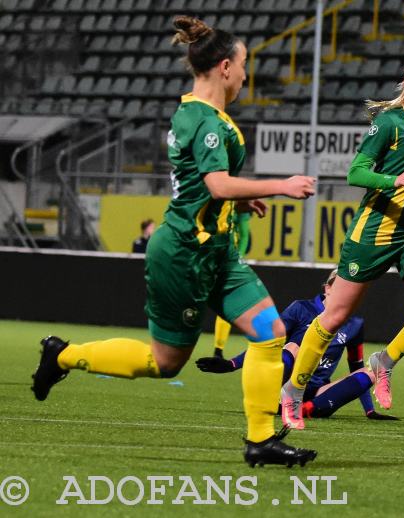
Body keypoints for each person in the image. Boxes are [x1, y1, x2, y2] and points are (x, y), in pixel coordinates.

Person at [31, 16, 318, 468]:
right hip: (184, 255)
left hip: (217, 251)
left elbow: (201, 186)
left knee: (270, 332)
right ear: (225, 67)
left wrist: (240, 206)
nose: (246, 75)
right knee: (165, 364)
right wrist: (278, 186)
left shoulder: (202, 114)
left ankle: (260, 440)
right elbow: (218, 184)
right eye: (244, 65)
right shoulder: (204, 120)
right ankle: (63, 356)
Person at [279, 52, 404, 430]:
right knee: (334, 316)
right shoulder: (390, 122)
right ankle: (292, 393)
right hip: (376, 231)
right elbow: (355, 172)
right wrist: (391, 180)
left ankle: (385, 361)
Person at [196, 269, 399, 421]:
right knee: (293, 346)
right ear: (327, 288)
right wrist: (231, 364)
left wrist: (369, 410)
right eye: (341, 287)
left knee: (376, 369)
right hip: (288, 384)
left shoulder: (355, 324)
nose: (347, 293)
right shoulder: (301, 309)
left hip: (317, 392)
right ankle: (273, 401)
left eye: (352, 290)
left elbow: (356, 366)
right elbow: (269, 341)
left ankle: (304, 409)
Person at [211, 210, 251, 358]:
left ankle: (218, 349)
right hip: (206, 255)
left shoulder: (240, 204)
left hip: (226, 261)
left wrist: (237, 258)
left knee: (224, 304)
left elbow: (245, 235)